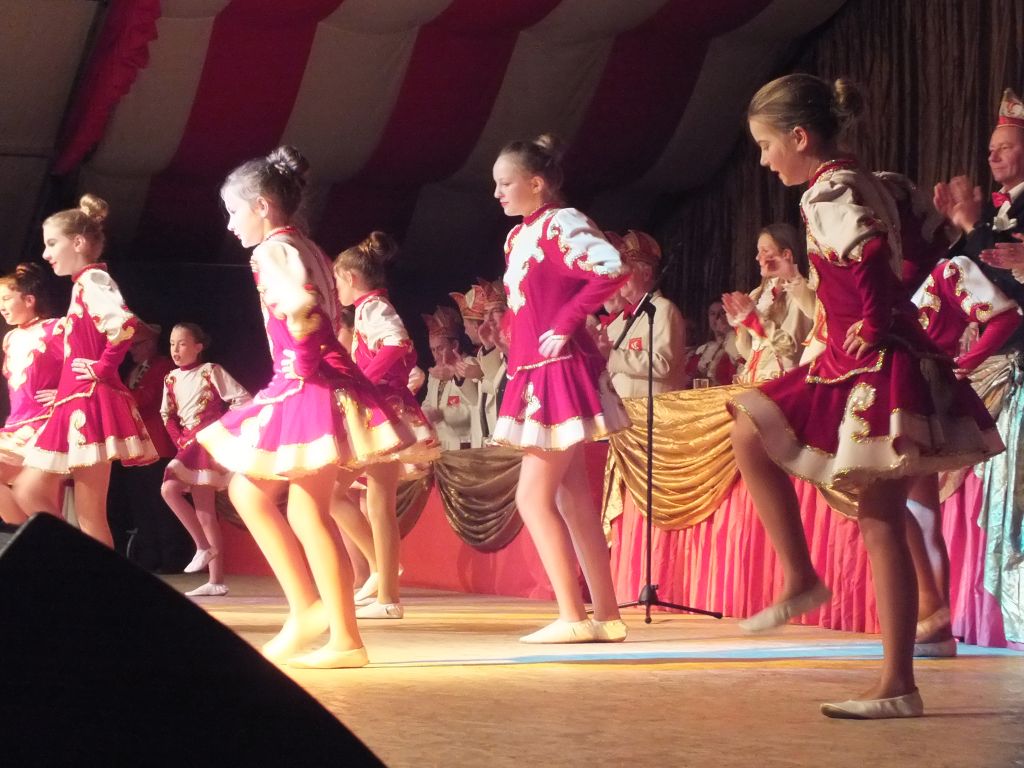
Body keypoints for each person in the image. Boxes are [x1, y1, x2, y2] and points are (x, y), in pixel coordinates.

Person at [731, 74, 1003, 718]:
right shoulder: (881, 183)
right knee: (878, 516)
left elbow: (872, 250)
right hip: (878, 353)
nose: (765, 160)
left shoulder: (827, 191)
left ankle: (814, 590)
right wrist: (890, 307)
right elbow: (929, 242)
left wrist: (877, 319)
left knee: (752, 423)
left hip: (867, 360)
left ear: (800, 137)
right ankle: (891, 674)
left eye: (767, 146)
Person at [197, 146, 412, 668]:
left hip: (308, 382)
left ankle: (332, 628)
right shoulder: (306, 245)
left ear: (263, 206)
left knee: (283, 503)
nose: (230, 224)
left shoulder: (273, 249)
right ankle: (318, 617)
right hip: (321, 379)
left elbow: (303, 304)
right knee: (272, 499)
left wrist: (300, 354)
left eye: (234, 211)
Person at [491, 134, 630, 643]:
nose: (497, 193)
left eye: (505, 183)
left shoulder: (560, 222)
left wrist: (567, 321)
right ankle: (607, 616)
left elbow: (611, 268)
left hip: (557, 372)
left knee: (532, 497)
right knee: (574, 501)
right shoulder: (518, 236)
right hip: (536, 369)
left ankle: (573, 615)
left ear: (536, 183)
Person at [14, 195, 157, 546]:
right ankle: (74, 562)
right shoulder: (84, 284)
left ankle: (91, 572)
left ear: (77, 242)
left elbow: (125, 325)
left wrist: (103, 368)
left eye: (52, 243)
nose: (45, 253)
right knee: (34, 491)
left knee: (87, 511)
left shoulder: (92, 280)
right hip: (74, 400)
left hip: (88, 403)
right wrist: (62, 387)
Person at [907, 254, 1022, 654]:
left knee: (906, 506)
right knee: (915, 508)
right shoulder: (889, 278)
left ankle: (932, 617)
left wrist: (962, 364)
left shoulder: (948, 269)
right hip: (897, 389)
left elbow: (1005, 317)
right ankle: (934, 622)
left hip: (919, 392)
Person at [332, 232, 440, 620]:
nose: (336, 289)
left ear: (350, 277)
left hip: (383, 412)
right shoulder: (368, 308)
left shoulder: (373, 307)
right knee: (351, 496)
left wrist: (364, 381)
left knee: (367, 500)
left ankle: (388, 592)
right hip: (378, 411)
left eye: (337, 280)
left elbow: (398, 345)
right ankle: (384, 576)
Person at [161, 322, 252, 597]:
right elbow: (167, 414)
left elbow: (243, 400)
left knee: (169, 489)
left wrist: (221, 429)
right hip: (187, 443)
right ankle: (216, 580)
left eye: (182, 343)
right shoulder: (171, 379)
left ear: (198, 346)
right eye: (172, 344)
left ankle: (203, 547)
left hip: (206, 442)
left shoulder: (211, 371)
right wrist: (178, 439)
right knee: (203, 512)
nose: (176, 349)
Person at [108, 320, 190, 571]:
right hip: (136, 449)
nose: (132, 350)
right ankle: (149, 557)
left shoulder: (163, 366)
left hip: (158, 446)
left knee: (161, 505)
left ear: (152, 343)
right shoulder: (134, 370)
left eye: (137, 344)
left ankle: (173, 557)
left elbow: (146, 397)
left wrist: (113, 398)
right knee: (141, 505)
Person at [0, 264, 63, 523]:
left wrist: (64, 392)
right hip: (17, 425)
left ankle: (58, 542)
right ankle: (26, 537)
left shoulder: (56, 330)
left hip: (46, 425)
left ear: (29, 300)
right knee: (30, 497)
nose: (1, 306)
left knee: (34, 495)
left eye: (6, 299)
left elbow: (82, 366)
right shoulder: (11, 338)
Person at [723, 223, 815, 383]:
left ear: (786, 254)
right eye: (758, 251)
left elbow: (790, 350)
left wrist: (754, 321)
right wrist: (742, 325)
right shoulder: (757, 294)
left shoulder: (800, 293)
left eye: (765, 251)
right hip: (753, 380)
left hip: (780, 384)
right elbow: (749, 353)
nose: (757, 257)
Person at [601, 230, 688, 397]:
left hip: (655, 411)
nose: (618, 276)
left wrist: (612, 356)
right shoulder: (619, 321)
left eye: (626, 270)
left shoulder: (663, 309)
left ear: (646, 274)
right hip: (622, 411)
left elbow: (663, 365)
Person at [422, 306, 473, 450]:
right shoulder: (435, 374)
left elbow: (471, 411)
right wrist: (423, 414)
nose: (436, 355)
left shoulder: (469, 366)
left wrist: (441, 414)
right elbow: (428, 402)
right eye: (433, 350)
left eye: (440, 348)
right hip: (440, 446)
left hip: (463, 446)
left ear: (454, 345)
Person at [685, 301, 741, 386]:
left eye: (722, 313)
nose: (717, 317)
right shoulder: (703, 349)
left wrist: (728, 331)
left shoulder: (738, 344)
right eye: (713, 314)